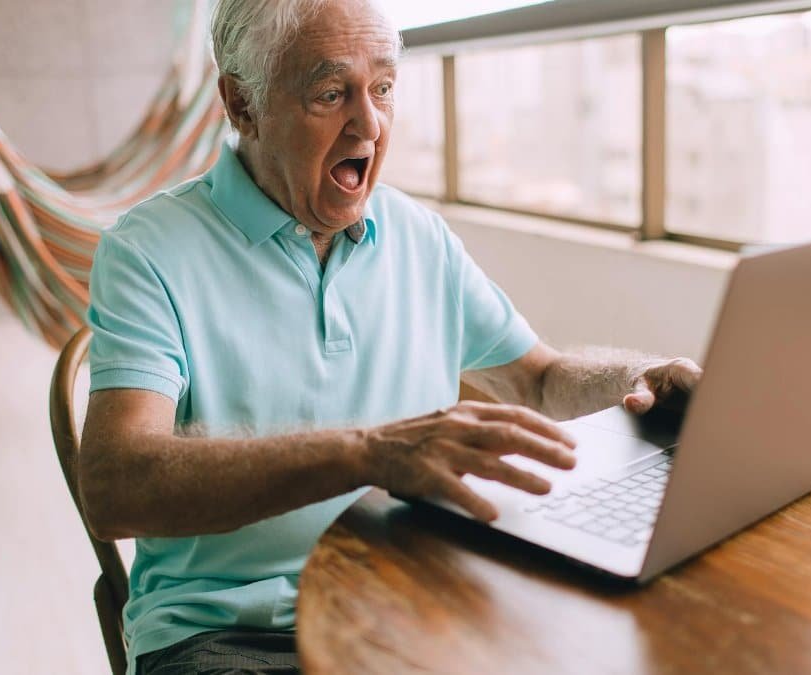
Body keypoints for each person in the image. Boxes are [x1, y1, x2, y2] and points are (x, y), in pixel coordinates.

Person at [79, 0, 702, 672]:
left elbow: (540, 379)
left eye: (382, 88)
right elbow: (117, 485)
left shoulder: (418, 235)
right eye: (330, 93)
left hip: (414, 596)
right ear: (242, 105)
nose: (369, 124)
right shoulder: (148, 251)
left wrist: (639, 379)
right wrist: (367, 452)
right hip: (233, 633)